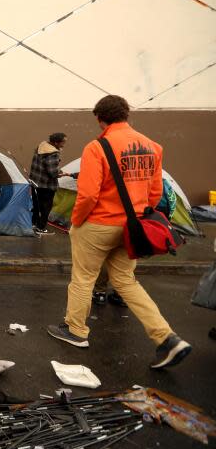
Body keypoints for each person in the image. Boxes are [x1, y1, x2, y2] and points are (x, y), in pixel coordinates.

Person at [46, 95, 191, 369]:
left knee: (83, 279)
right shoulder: (153, 147)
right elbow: (156, 193)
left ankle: (76, 331)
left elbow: (88, 194)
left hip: (98, 225)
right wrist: (137, 215)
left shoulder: (97, 147)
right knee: (126, 282)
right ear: (126, 115)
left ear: (101, 120)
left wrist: (76, 222)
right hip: (132, 226)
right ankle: (167, 338)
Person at [30, 132, 68, 234]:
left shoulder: (41, 147)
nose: (64, 144)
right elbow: (52, 172)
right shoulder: (53, 153)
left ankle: (34, 224)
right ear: (56, 142)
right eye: (63, 142)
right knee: (46, 207)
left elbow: (42, 166)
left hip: (35, 182)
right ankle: (41, 228)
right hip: (46, 185)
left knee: (37, 205)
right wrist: (60, 173)